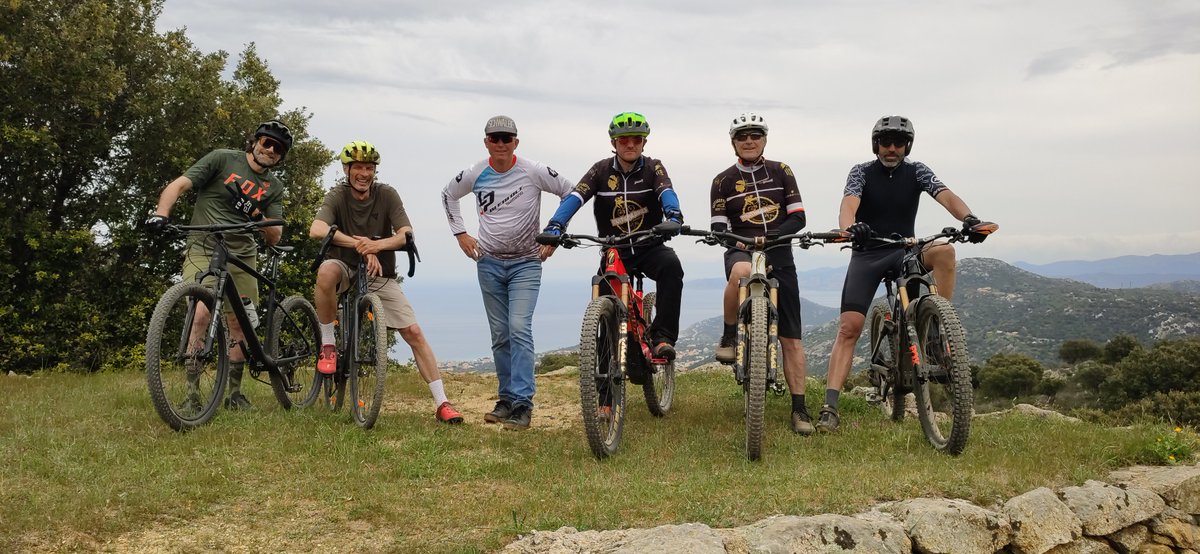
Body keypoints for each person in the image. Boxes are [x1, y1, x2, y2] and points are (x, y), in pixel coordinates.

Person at [820, 115, 996, 433]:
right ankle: (830, 407)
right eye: (885, 142)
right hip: (869, 252)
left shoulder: (917, 171)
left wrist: (969, 218)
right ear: (876, 145)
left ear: (907, 146)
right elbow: (848, 204)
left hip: (906, 249)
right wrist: (850, 228)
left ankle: (937, 323)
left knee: (944, 250)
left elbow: (945, 195)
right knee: (849, 328)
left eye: (898, 143)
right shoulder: (861, 171)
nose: (891, 148)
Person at [310, 141, 463, 424]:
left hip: (380, 274)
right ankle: (328, 343)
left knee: (414, 332)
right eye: (358, 167)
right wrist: (361, 245)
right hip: (344, 267)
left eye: (369, 168)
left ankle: (442, 403)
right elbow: (317, 229)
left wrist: (377, 248)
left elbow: (406, 235)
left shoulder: (387, 194)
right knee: (326, 272)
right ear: (347, 169)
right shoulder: (337, 195)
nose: (364, 173)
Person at [145, 119, 293, 411]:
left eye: (278, 149)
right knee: (201, 312)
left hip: (242, 254)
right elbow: (180, 184)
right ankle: (192, 394)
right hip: (203, 246)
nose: (271, 150)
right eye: (267, 142)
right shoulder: (222, 159)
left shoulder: (274, 187)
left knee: (239, 323)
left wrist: (255, 213)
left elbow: (275, 236)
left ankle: (235, 395)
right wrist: (161, 214)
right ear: (255, 141)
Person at [441, 116, 574, 430]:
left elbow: (570, 192)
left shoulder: (533, 170)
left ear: (516, 141)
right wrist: (460, 234)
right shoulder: (476, 173)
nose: (501, 143)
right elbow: (448, 195)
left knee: (518, 328)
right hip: (488, 262)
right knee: (500, 335)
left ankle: (523, 404)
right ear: (486, 142)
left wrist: (555, 233)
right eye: (495, 138)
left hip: (526, 263)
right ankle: (506, 400)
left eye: (507, 138)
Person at [537, 111, 685, 373]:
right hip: (614, 250)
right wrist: (555, 226)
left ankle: (663, 337)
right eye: (624, 139)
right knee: (603, 314)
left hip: (648, 246)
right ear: (613, 143)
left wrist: (673, 216)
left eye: (636, 140)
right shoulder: (600, 170)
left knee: (671, 267)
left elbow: (666, 191)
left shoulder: (654, 167)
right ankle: (604, 397)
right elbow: (575, 197)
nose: (630, 145)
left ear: (644, 143)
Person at [709, 112, 815, 435]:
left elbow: (799, 218)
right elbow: (718, 227)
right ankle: (730, 333)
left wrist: (771, 238)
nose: (749, 140)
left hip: (779, 251)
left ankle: (799, 409)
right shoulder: (722, 181)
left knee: (791, 339)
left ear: (765, 139)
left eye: (755, 135)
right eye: (742, 136)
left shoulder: (781, 171)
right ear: (733, 143)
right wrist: (738, 241)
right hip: (741, 248)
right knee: (740, 270)